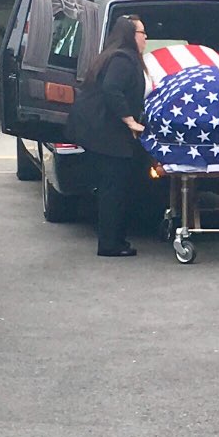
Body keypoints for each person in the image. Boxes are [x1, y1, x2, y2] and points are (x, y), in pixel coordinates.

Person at [70, 15, 150, 257]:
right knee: (113, 190)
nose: (146, 38)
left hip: (102, 134)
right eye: (142, 33)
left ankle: (115, 239)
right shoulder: (123, 59)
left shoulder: (114, 55)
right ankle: (110, 244)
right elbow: (112, 89)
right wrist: (130, 121)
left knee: (111, 188)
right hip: (109, 136)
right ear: (130, 35)